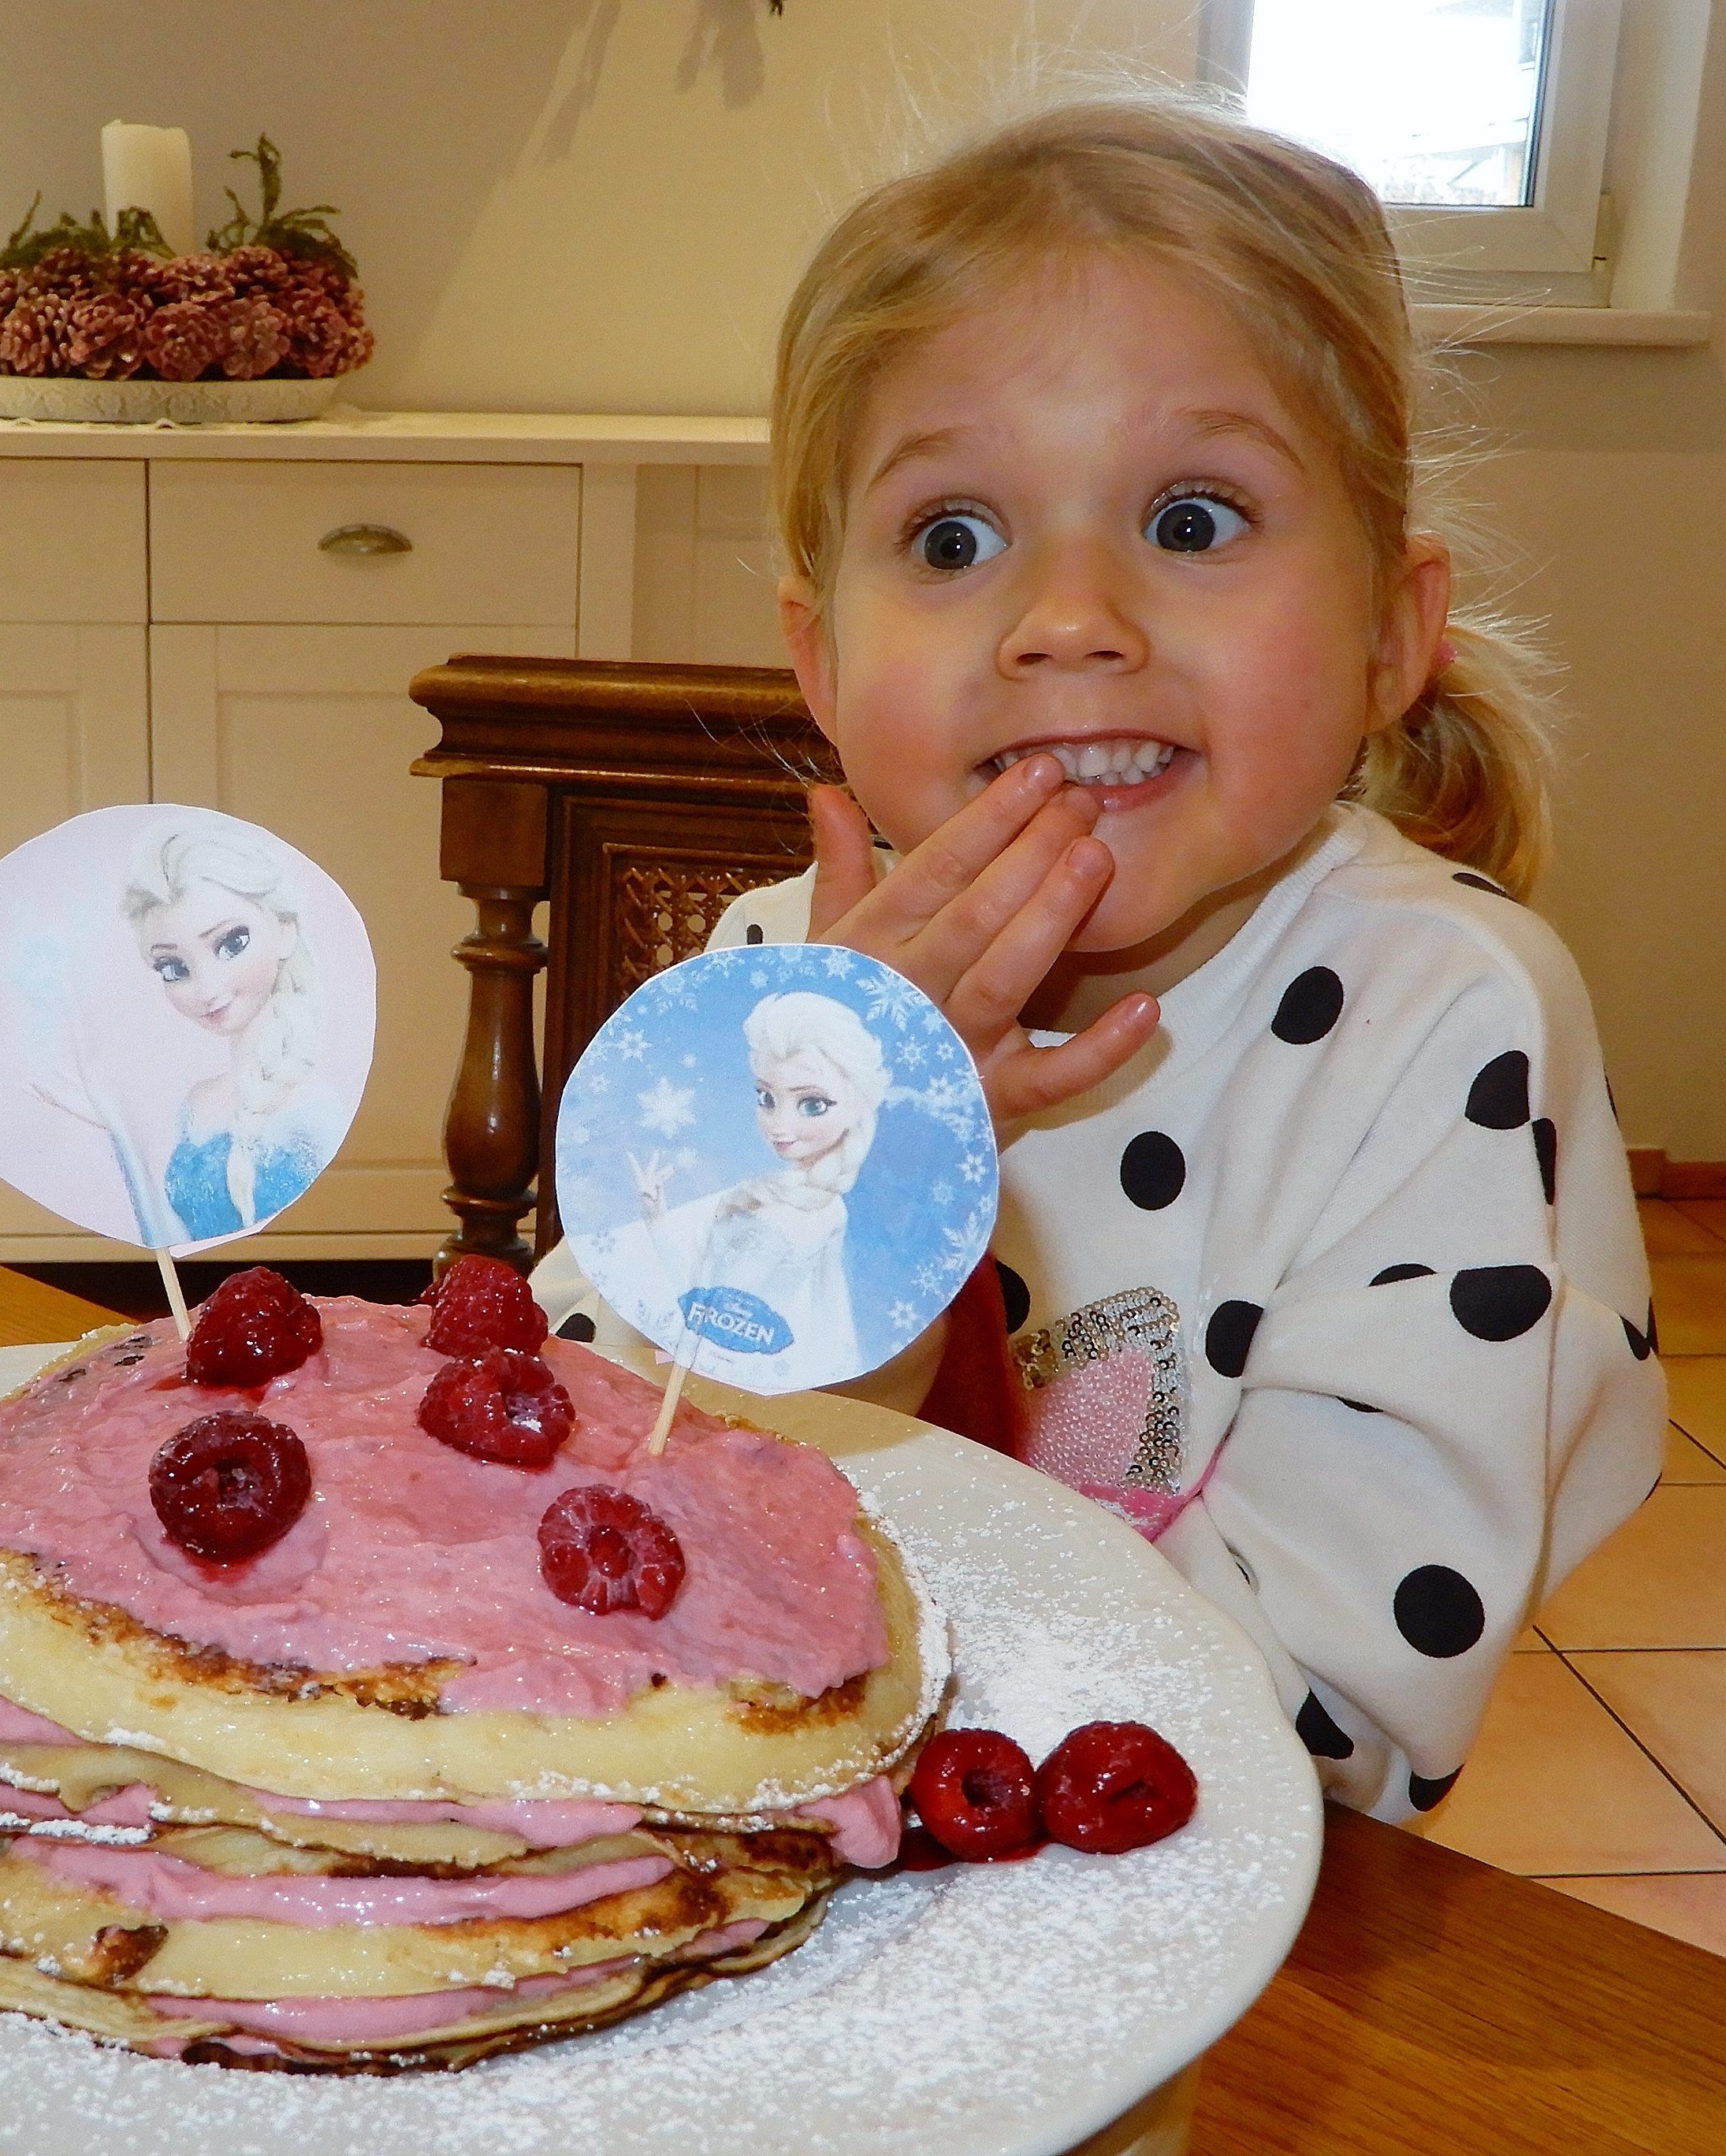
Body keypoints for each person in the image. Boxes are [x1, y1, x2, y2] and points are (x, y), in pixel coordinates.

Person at [530, 92, 1663, 1823]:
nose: (1070, 619)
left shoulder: (1440, 1017)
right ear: (819, 661)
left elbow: (1334, 1712)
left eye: (1194, 519)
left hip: (1167, 1886)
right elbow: (580, 1504)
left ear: (1388, 637)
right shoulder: (778, 977)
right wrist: (856, 1183)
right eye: (954, 538)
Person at [37, 817, 344, 1247]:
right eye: (175, 968)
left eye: (231, 944)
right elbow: (173, 1242)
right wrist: (116, 1130)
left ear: (286, 931)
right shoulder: (197, 1104)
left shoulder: (317, 1109)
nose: (208, 990)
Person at [597, 991, 888, 1392]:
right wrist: (656, 1217)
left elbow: (817, 1315)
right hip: (690, 1355)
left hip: (750, 1375)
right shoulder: (754, 1190)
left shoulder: (826, 1212)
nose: (779, 1125)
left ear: (856, 1105)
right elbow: (693, 1286)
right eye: (767, 1099)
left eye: (812, 1105)